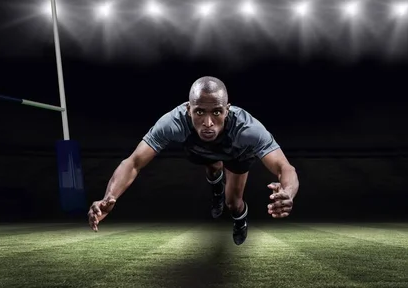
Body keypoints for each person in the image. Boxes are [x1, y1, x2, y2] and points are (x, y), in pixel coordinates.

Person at [87, 76, 299, 245]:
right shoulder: (173, 122)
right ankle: (216, 190)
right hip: (200, 150)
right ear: (188, 109)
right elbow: (133, 162)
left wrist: (288, 193)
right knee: (211, 164)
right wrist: (108, 197)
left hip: (237, 154)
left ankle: (239, 219)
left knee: (232, 202)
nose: (208, 122)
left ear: (227, 110)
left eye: (216, 112)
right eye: (199, 112)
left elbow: (284, 167)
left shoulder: (247, 129)